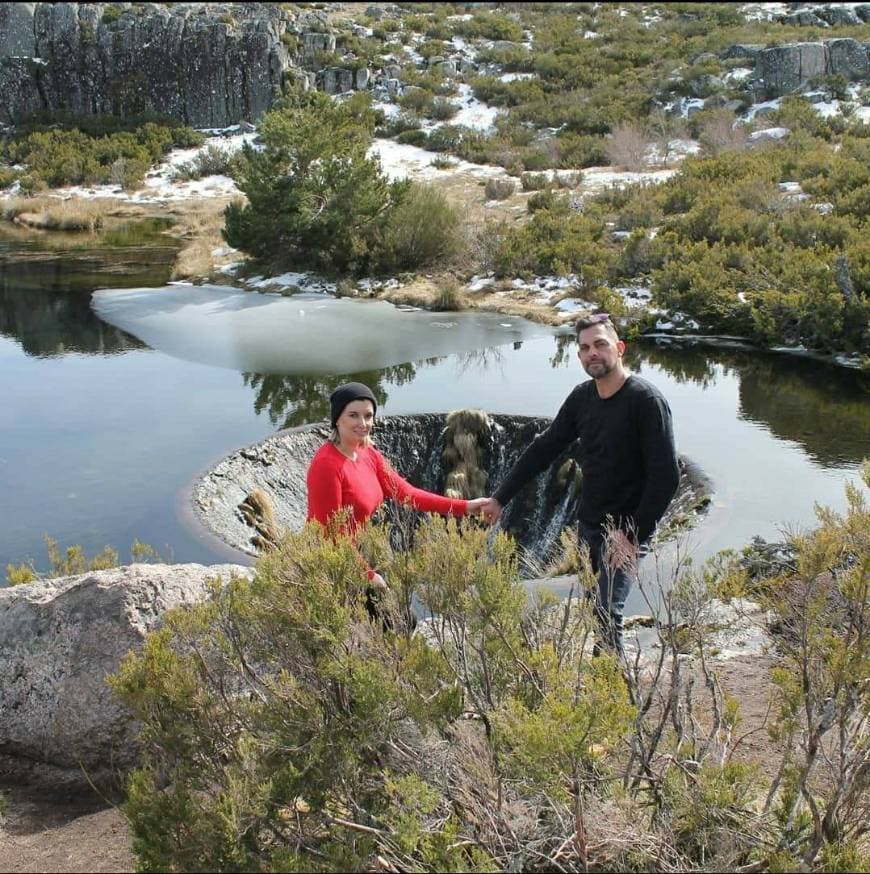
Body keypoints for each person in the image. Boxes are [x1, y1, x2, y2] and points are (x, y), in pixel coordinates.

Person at [480, 314, 679, 657]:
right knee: (596, 609)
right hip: (589, 526)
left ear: (619, 348)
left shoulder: (645, 401)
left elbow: (666, 477)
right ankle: (606, 693)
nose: (593, 353)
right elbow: (545, 448)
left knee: (607, 613)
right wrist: (501, 497)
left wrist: (632, 534)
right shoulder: (583, 397)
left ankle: (615, 698)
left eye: (600, 344)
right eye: (585, 348)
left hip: (625, 529)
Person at [307, 381, 488, 593]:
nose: (363, 423)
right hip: (328, 566)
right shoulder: (326, 466)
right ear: (337, 419)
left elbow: (407, 494)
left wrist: (465, 507)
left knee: (399, 619)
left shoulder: (368, 454)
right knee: (394, 620)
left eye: (368, 415)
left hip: (356, 555)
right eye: (353, 415)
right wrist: (368, 575)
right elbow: (330, 536)